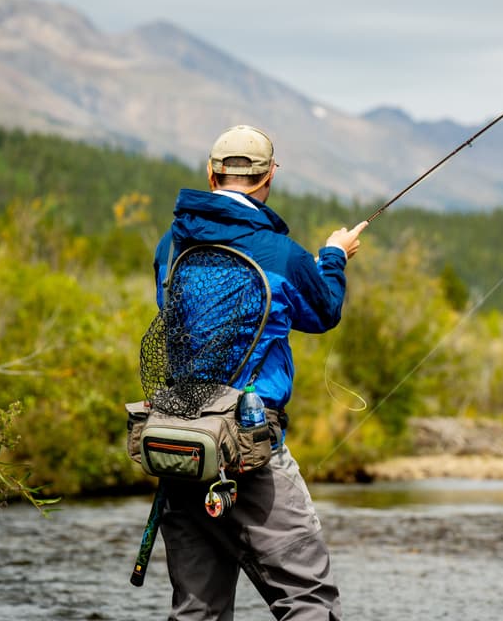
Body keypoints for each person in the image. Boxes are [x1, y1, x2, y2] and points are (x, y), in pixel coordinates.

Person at [151, 124, 366, 620]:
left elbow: (179, 314)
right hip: (248, 448)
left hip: (181, 446)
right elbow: (323, 312)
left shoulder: (169, 246)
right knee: (307, 601)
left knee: (196, 612)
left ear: (211, 174)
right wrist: (333, 258)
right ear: (269, 178)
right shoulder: (282, 253)